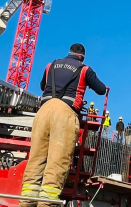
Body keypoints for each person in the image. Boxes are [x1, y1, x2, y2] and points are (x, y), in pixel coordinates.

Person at [19, 43, 106, 207]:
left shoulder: (50, 65)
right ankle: (47, 204)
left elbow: (42, 86)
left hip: (43, 112)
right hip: (65, 113)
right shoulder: (85, 69)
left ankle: (26, 202)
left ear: (69, 53)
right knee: (57, 162)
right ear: (82, 57)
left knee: (36, 159)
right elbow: (101, 90)